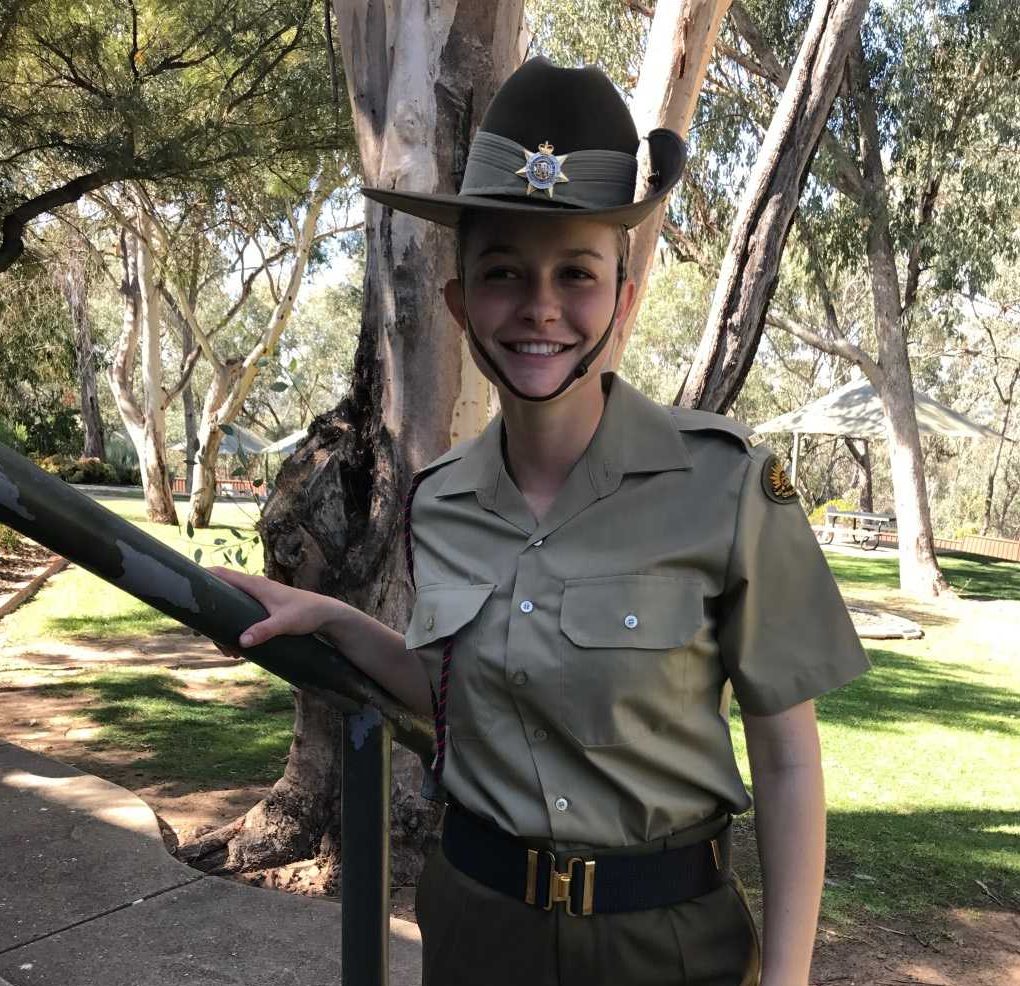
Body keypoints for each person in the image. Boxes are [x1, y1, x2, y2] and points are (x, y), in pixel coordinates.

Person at [210, 57, 870, 986]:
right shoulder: (437, 500)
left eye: (578, 273)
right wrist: (331, 618)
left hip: (667, 947)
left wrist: (791, 980)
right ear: (459, 301)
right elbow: (456, 697)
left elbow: (790, 766)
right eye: (504, 272)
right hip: (478, 932)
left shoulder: (724, 486)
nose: (541, 307)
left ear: (624, 298)